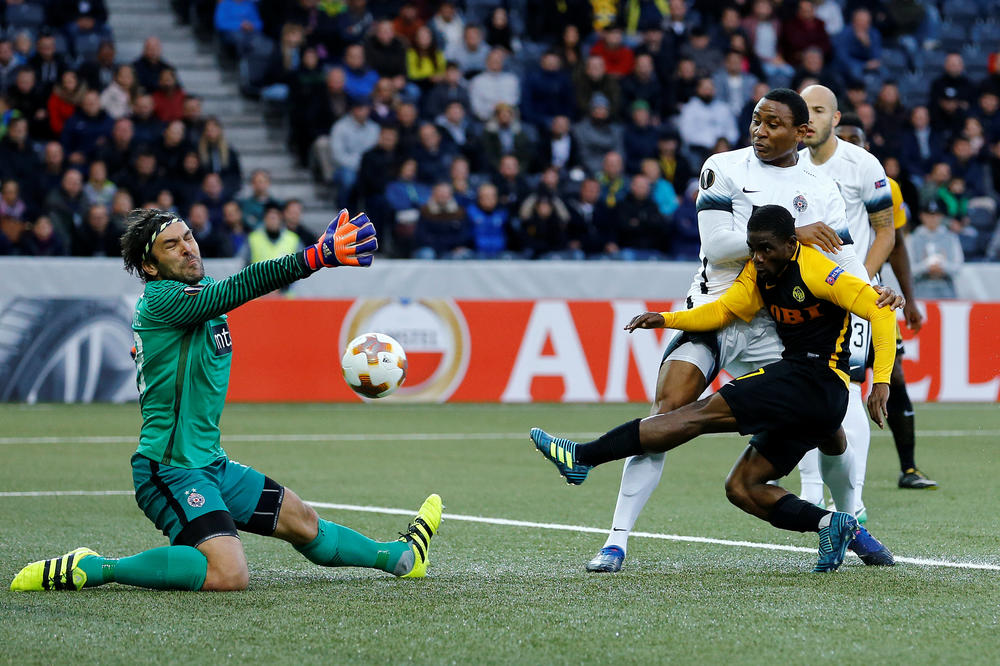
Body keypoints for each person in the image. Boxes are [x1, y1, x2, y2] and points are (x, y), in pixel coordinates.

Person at [10, 208, 442, 592]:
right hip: (170, 469)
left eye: (188, 237)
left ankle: (402, 558)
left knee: (304, 521)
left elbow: (209, 310)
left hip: (211, 464)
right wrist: (315, 257)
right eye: (171, 245)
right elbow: (242, 286)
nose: (187, 248)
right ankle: (95, 567)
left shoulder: (200, 294)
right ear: (150, 264)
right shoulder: (163, 300)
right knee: (228, 574)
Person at [580, 88, 895, 574]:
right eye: (756, 120)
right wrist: (791, 237)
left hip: (776, 328)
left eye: (772, 125)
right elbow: (717, 243)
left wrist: (875, 293)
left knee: (827, 428)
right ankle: (616, 540)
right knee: (668, 411)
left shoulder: (823, 187)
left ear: (802, 133)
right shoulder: (723, 166)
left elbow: (845, 259)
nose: (760, 132)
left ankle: (850, 519)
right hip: (716, 311)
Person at [531, 205, 897, 573]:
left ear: (791, 244)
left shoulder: (819, 271)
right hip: (809, 399)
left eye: (767, 248)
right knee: (742, 486)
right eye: (753, 248)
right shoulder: (761, 272)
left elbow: (880, 311)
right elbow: (722, 311)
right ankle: (832, 524)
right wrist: (667, 319)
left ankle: (583, 457)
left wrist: (880, 381)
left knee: (694, 415)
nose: (758, 257)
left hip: (814, 380)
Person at [796, 85, 896, 521]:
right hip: (800, 295)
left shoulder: (862, 164)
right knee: (800, 387)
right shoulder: (789, 165)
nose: (812, 117)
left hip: (849, 289)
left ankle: (853, 501)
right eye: (806, 111)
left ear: (836, 118)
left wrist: (862, 284)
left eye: (820, 110)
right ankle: (811, 491)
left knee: (849, 385)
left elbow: (886, 231)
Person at [835, 115, 938, 489]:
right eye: (840, 138)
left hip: (872, 295)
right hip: (827, 292)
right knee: (839, 381)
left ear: (866, 145)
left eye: (854, 139)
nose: (848, 145)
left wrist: (910, 299)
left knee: (892, 376)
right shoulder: (813, 181)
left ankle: (908, 468)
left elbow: (895, 243)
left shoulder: (885, 187)